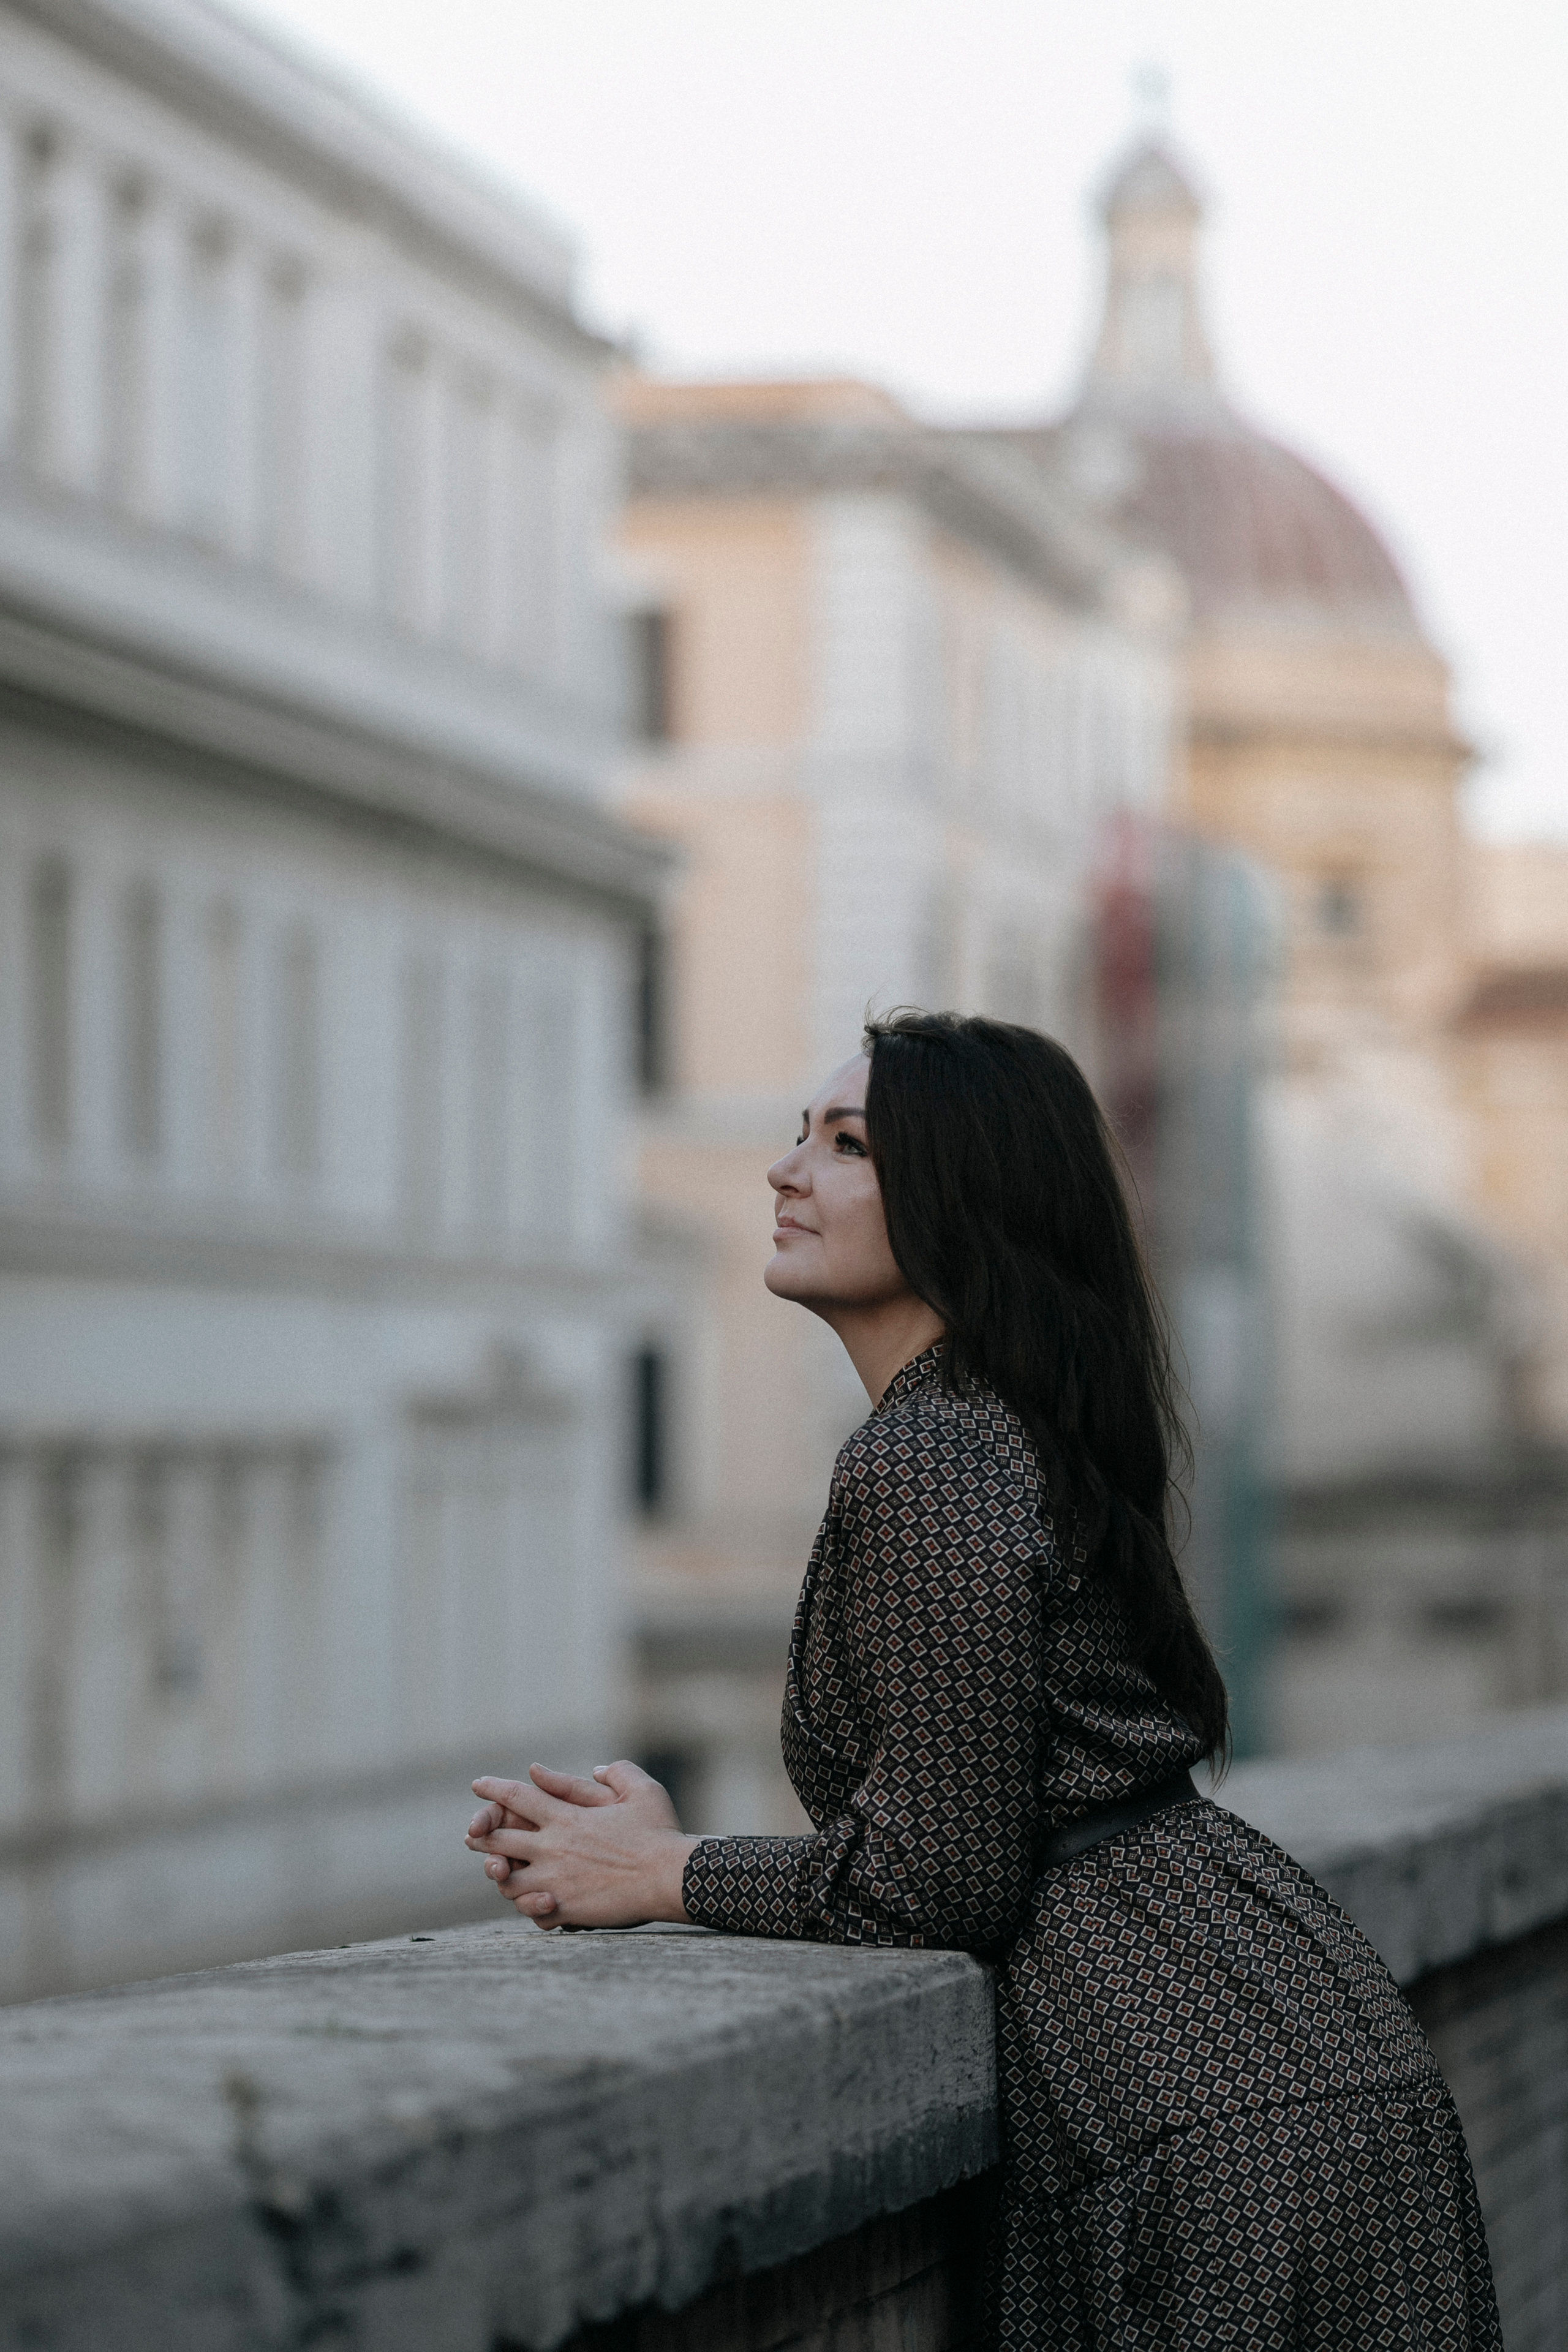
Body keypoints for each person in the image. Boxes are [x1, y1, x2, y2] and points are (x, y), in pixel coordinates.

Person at [466, 1011, 1501, 2350]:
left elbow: (937, 1882)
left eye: (848, 1146)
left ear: (964, 1196)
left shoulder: (930, 1458)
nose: (785, 1170)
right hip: (1277, 2038)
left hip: (1189, 2106)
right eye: (799, 1135)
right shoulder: (1004, 1422)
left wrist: (664, 1873)